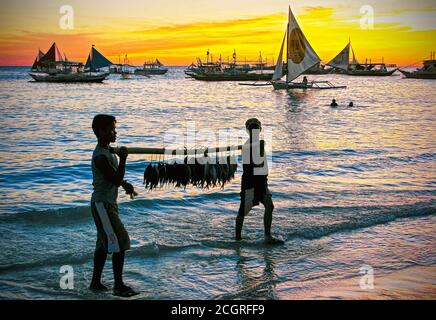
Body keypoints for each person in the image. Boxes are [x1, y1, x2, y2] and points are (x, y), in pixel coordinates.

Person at [90, 114, 138, 297]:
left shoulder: (108, 151)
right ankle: (118, 286)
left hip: (107, 204)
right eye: (111, 129)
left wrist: (126, 185)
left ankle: (95, 283)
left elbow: (114, 178)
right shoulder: (100, 156)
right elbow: (115, 179)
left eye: (114, 128)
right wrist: (124, 159)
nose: (114, 132)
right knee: (121, 241)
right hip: (102, 205)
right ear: (101, 131)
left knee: (103, 244)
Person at [235, 118, 283, 244]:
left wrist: (260, 147)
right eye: (252, 128)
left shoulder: (259, 143)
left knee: (270, 206)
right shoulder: (246, 146)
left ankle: (268, 236)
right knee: (243, 211)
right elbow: (255, 163)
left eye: (256, 128)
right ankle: (238, 239)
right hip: (250, 182)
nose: (254, 130)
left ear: (260, 130)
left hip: (262, 182)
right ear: (248, 131)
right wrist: (258, 148)